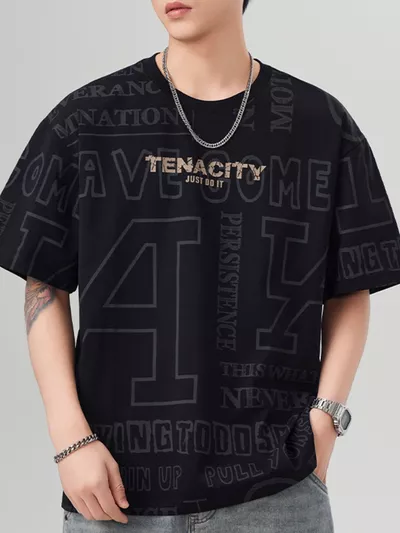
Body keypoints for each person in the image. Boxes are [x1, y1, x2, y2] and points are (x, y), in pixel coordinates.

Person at [1, 0, 399, 531]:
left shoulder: (320, 125)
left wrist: (326, 420)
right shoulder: (85, 120)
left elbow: (350, 285)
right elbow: (43, 281)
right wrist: (69, 437)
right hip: (115, 493)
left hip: (275, 492)